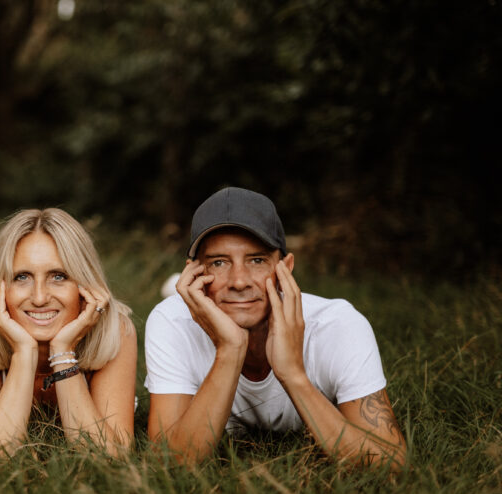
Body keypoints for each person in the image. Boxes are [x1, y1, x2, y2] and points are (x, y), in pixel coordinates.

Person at [145, 187, 407, 468]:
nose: (239, 281)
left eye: (256, 260)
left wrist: (293, 374)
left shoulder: (337, 325)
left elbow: (392, 464)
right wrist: (230, 350)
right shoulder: (172, 322)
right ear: (194, 272)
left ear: (286, 267)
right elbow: (169, 463)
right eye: (219, 263)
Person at [0, 208, 137, 455]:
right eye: (22, 277)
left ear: (85, 284)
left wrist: (63, 351)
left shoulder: (114, 332)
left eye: (58, 276)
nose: (39, 297)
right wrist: (24, 353)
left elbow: (110, 457)